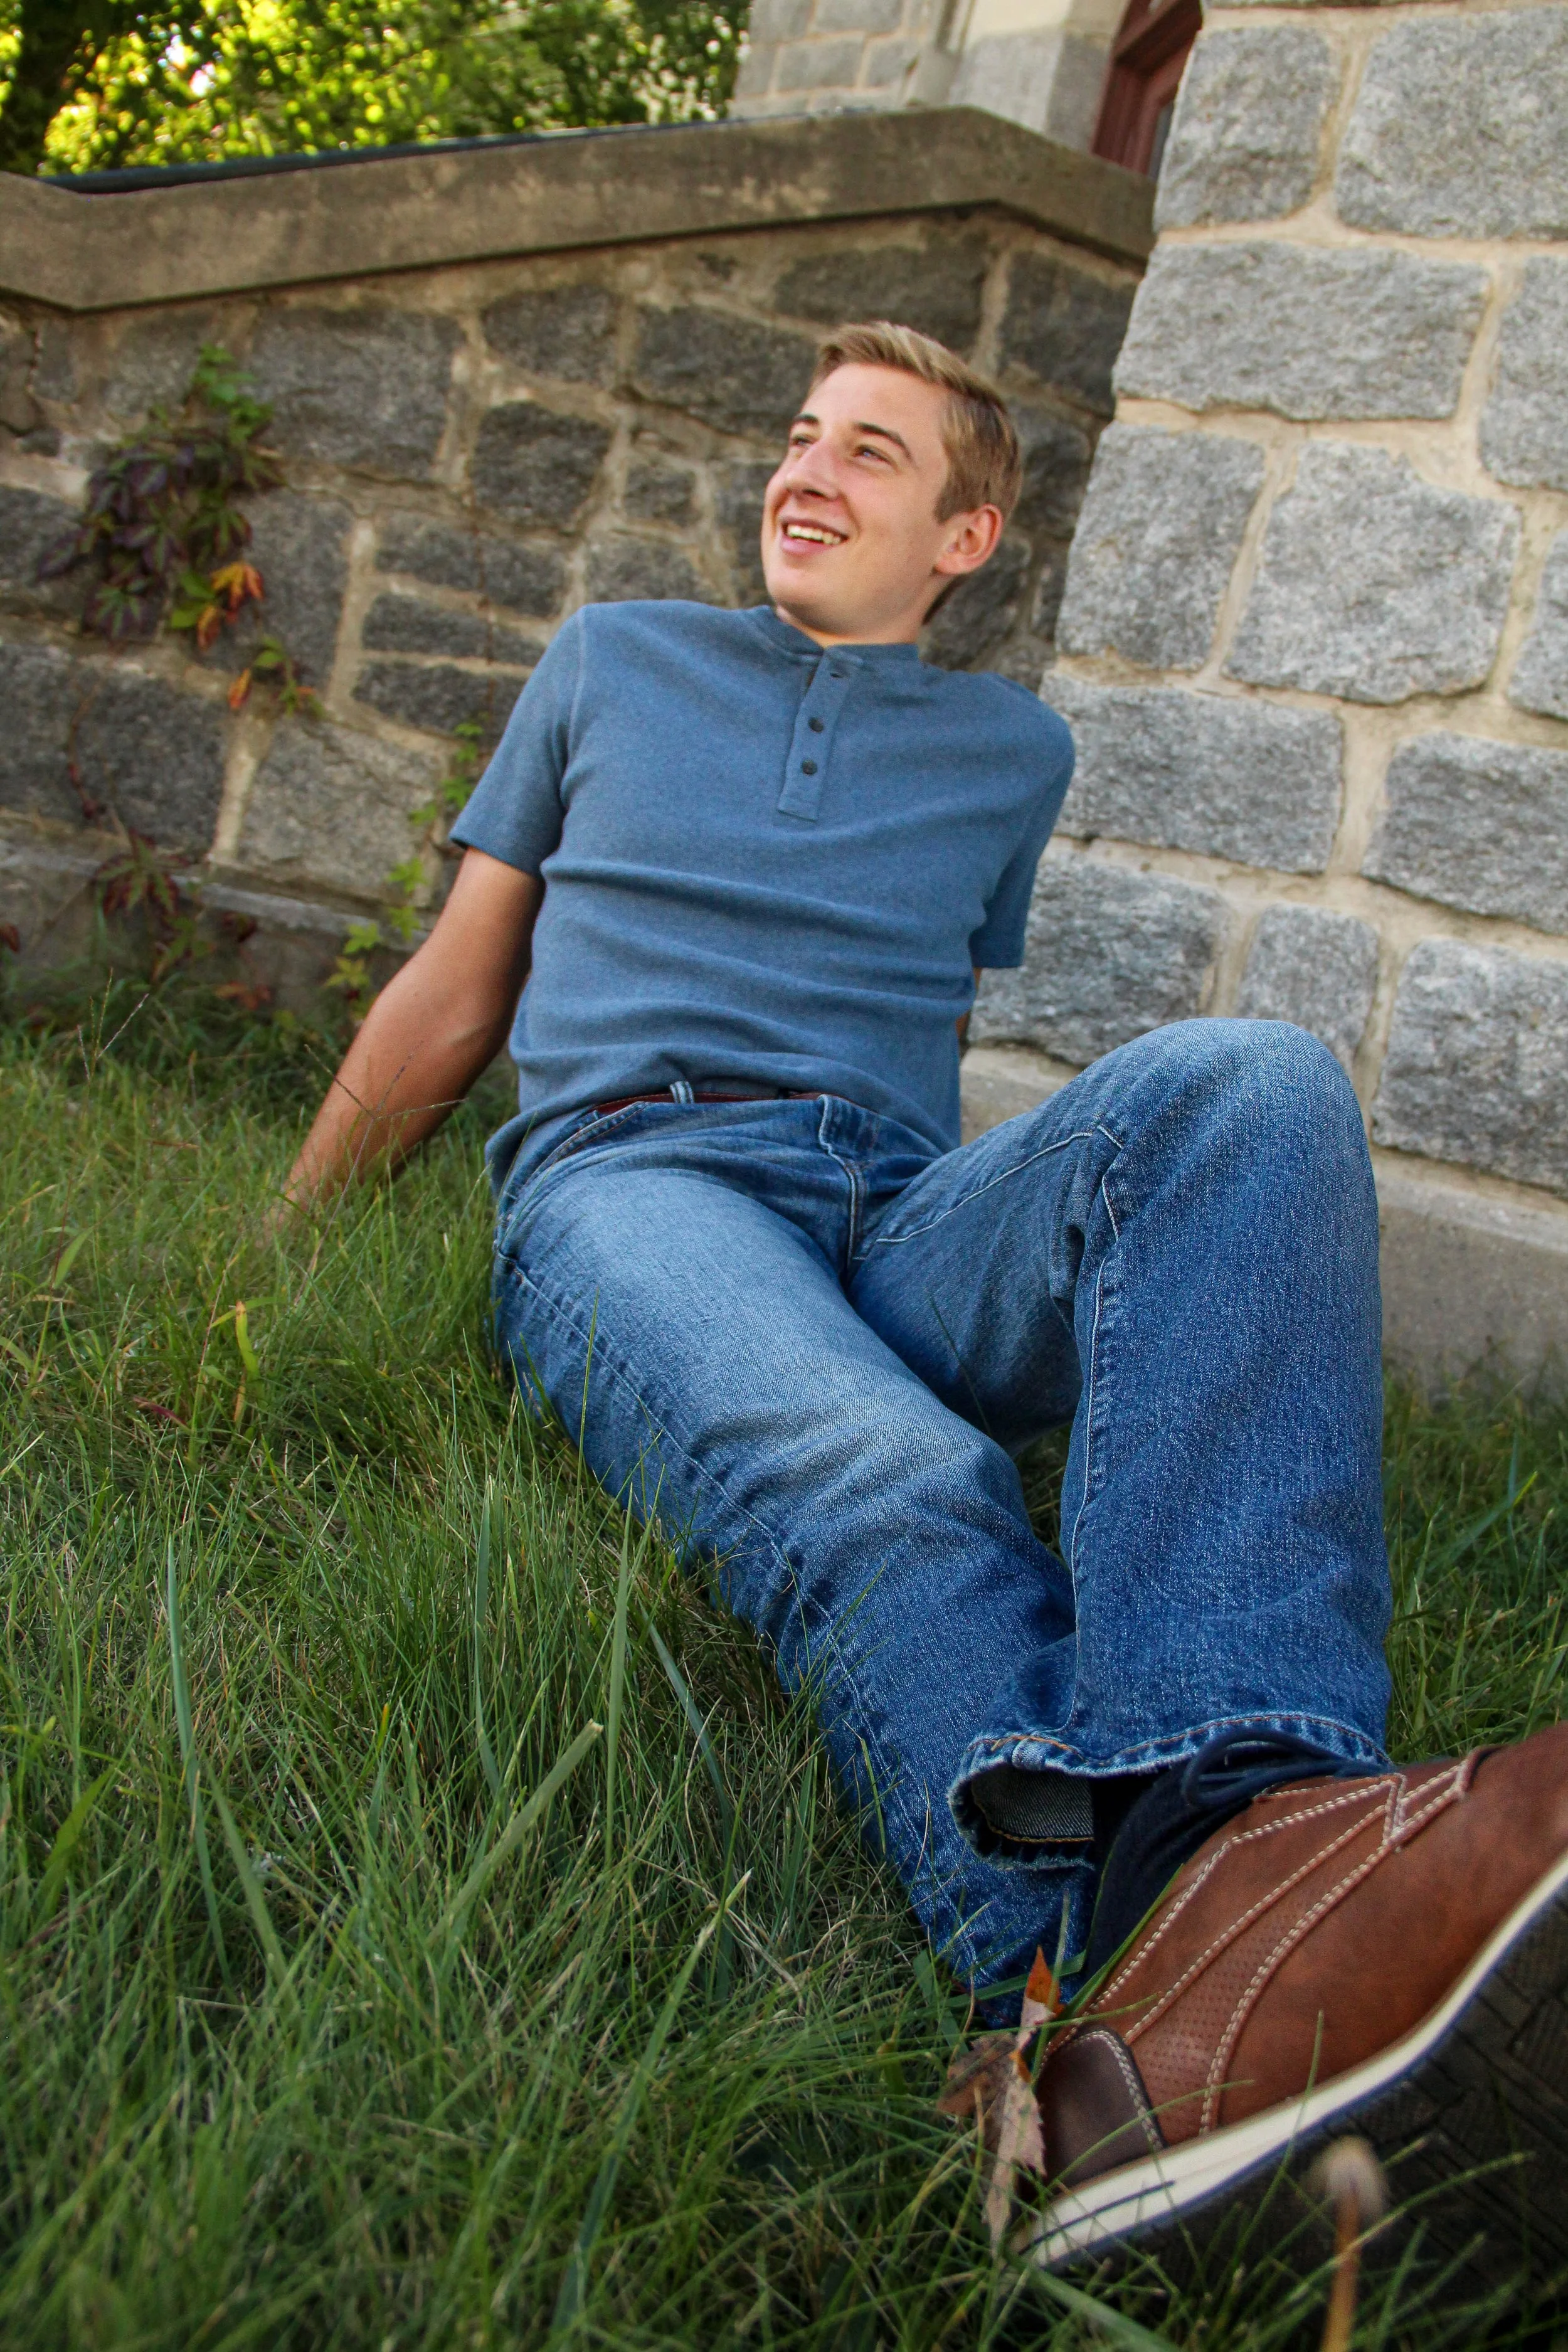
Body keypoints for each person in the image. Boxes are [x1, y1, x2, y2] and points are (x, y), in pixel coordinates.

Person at [283, 322, 1568, 2275]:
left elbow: (914, 1018)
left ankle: (1252, 1805)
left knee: (1252, 1087)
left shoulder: (1010, 757)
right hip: (642, 1172)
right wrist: (290, 1240)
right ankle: (1106, 1994)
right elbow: (461, 980)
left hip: (887, 1201)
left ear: (964, 535)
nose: (803, 470)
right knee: (887, 1464)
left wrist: (990, 1237)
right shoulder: (610, 660)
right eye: (800, 436)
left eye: (868, 453)